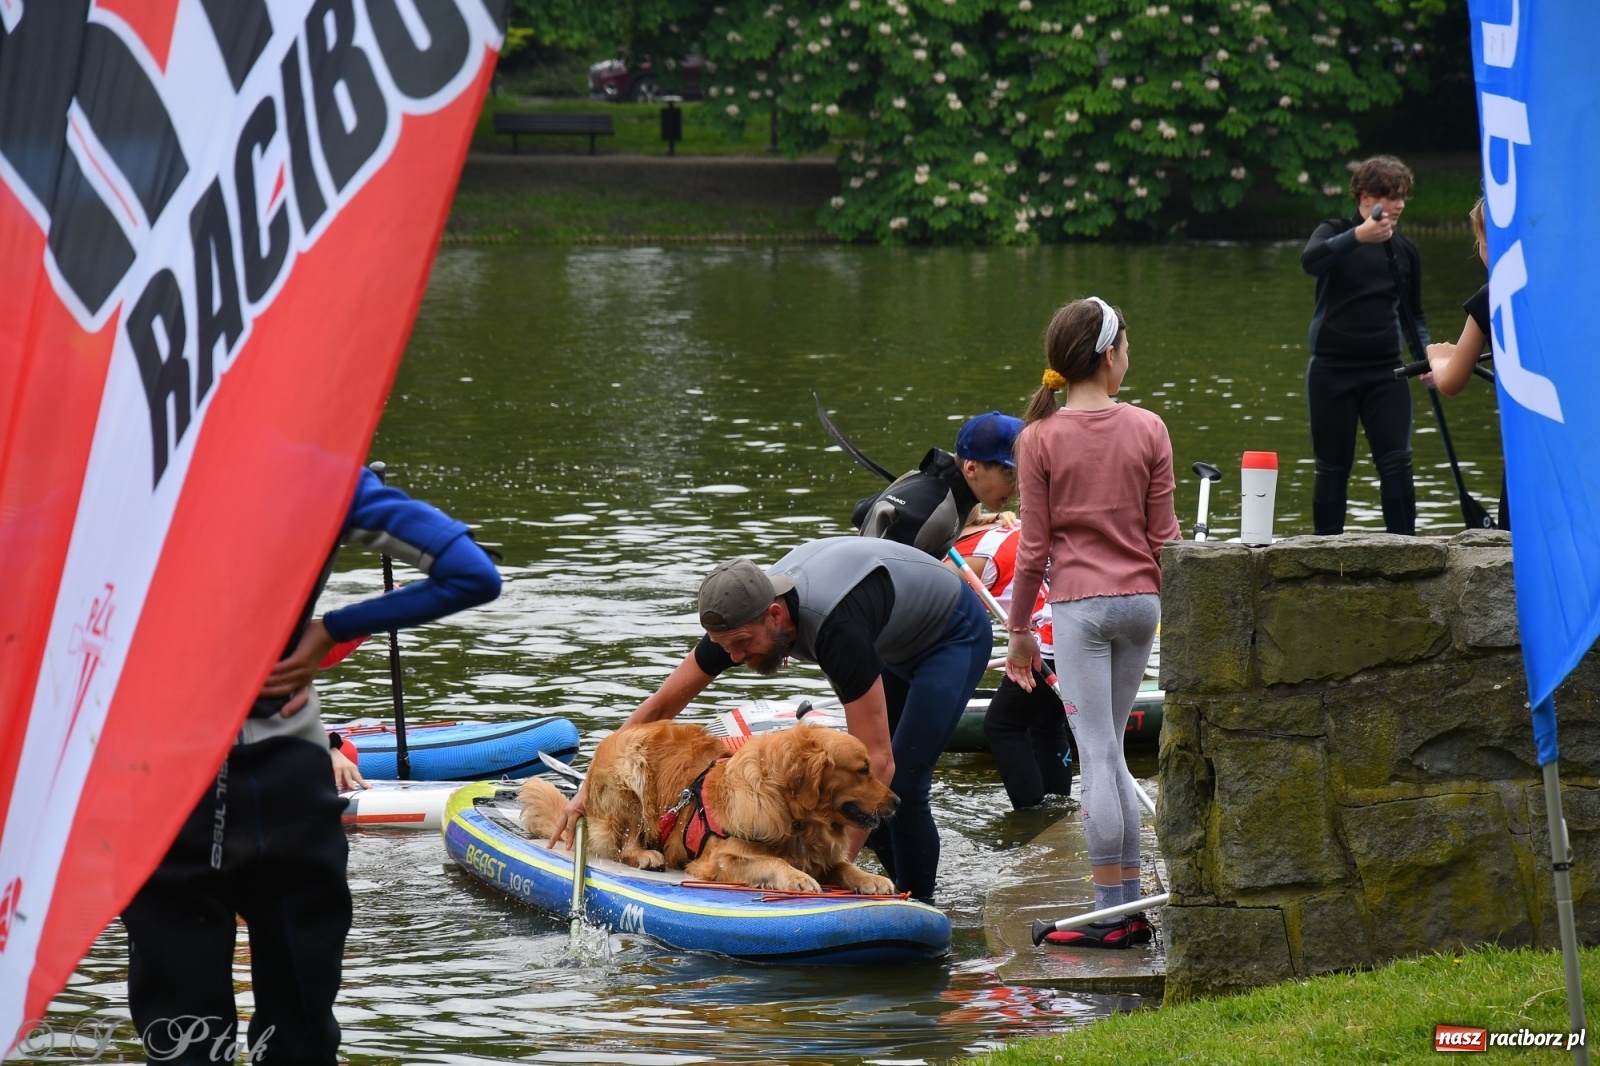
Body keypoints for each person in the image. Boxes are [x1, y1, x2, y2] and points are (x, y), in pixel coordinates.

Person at [121, 466, 501, 1065]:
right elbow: (473, 575)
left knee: (183, 1046)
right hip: (288, 784)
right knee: (301, 1040)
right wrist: (331, 629)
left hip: (163, 785)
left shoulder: (116, 470)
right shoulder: (318, 473)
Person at [550, 536, 992, 903]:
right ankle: (895, 890)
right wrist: (587, 788)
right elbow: (661, 707)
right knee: (857, 801)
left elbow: (878, 758)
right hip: (888, 635)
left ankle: (923, 908)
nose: (736, 658)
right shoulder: (739, 620)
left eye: (742, 644)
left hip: (950, 634)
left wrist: (837, 875)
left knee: (902, 784)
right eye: (725, 649)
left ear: (775, 614)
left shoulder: (838, 633)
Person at [1005, 296, 1179, 948]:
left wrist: (1019, 631)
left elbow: (1032, 551)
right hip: (1142, 606)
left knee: (1097, 755)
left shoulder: (1038, 439)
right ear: (1109, 356)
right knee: (1112, 753)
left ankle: (1112, 912)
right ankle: (1125, 908)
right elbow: (1166, 537)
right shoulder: (1150, 428)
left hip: (1079, 609)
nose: (1128, 360)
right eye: (1127, 349)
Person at [1300, 155, 1428, 536]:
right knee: (1332, 467)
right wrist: (1358, 237)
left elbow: (1414, 317)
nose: (1400, 205)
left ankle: (1408, 552)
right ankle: (1324, 553)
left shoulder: (1405, 251)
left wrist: (1425, 361)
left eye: (1403, 196)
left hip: (1387, 372)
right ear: (1366, 196)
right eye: (1391, 197)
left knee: (1397, 464)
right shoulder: (1335, 231)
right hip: (1330, 372)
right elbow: (1310, 261)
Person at [951, 514, 1072, 810]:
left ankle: (1031, 815)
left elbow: (945, 614)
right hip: (1076, 626)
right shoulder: (1012, 524)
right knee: (1047, 722)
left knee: (1002, 725)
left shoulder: (967, 556)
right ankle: (1058, 807)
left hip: (1048, 641)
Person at [1426, 197, 1510, 531]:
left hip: (1531, 457)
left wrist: (1439, 357)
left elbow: (1450, 381)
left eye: (1481, 243)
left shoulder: (1493, 295)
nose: (1479, 251)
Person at [852, 411, 1023, 557]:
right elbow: (883, 576)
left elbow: (860, 512)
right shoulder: (937, 509)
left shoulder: (934, 483)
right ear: (971, 468)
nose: (1018, 487)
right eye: (1010, 475)